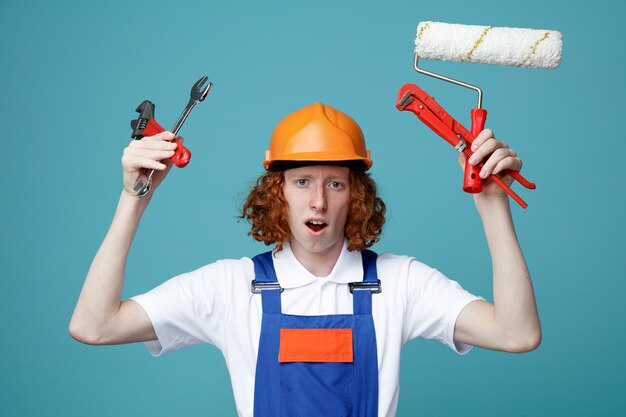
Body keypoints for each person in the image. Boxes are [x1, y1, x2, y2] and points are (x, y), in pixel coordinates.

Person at [69, 102, 540, 417]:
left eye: (335, 183)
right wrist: (133, 200)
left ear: (355, 195)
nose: (318, 202)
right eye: (302, 182)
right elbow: (95, 326)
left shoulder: (400, 282)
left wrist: (493, 204)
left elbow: (516, 334)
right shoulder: (230, 288)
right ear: (278, 194)